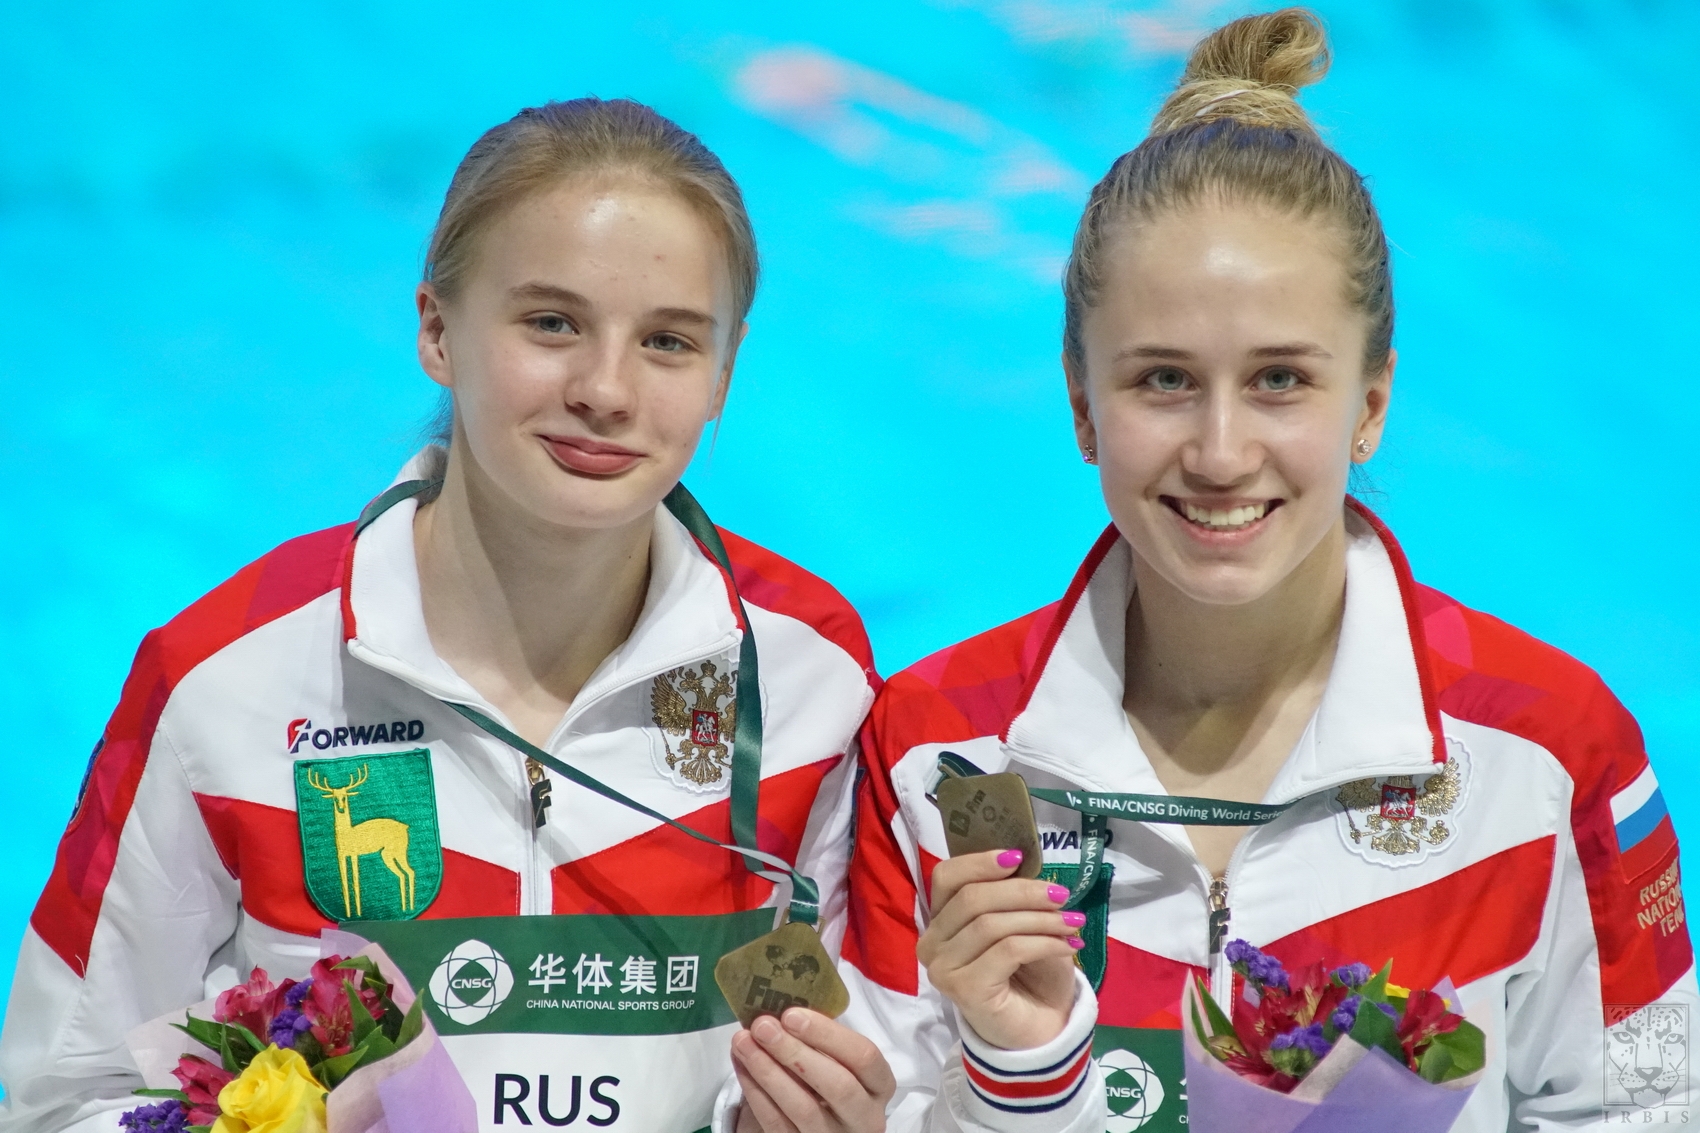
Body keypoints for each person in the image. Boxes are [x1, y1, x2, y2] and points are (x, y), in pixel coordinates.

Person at [838, 9, 1697, 1131]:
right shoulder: (937, 748)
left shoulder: (1543, 750)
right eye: (1160, 380)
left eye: (1281, 379)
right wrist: (1022, 1075)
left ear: (1370, 403)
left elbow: (1643, 1108)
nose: (1219, 451)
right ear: (1080, 404)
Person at [0, 98, 897, 1133]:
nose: (605, 389)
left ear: (722, 374)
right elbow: (61, 1096)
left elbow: (881, 1051)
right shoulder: (228, 674)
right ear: (436, 328)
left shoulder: (807, 674)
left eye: (666, 340)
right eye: (551, 322)